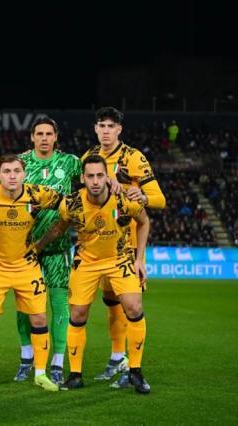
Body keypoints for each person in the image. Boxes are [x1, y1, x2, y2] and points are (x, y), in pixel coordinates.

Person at [35, 155, 151, 394]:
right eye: (90, 176)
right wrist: (37, 247)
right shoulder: (72, 204)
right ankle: (75, 375)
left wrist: (139, 259)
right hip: (86, 261)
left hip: (119, 259)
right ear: (83, 178)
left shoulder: (123, 199)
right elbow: (59, 228)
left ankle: (135, 371)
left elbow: (144, 222)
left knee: (134, 307)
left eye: (100, 175)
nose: (95, 181)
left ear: (107, 177)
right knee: (77, 314)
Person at [82, 107, 165, 385]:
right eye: (101, 125)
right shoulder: (89, 157)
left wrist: (138, 194)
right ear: (95, 129)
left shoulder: (133, 157)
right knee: (111, 302)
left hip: (127, 247)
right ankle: (118, 357)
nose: (106, 131)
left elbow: (159, 200)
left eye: (111, 126)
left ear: (119, 129)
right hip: (100, 245)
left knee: (131, 306)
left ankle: (133, 367)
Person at [0, 154, 62, 392]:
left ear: (24, 174)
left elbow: (71, 203)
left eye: (16, 171)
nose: (12, 176)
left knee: (39, 319)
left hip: (27, 267)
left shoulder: (37, 194)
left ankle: (40, 374)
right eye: (7, 171)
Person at [14, 116, 82, 385]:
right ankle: (26, 358)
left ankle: (57, 362)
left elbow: (96, 174)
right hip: (24, 249)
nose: (44, 138)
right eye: (39, 134)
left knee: (59, 304)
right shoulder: (20, 163)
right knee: (25, 307)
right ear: (32, 137)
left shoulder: (70, 163)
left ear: (56, 137)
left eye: (48, 134)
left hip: (58, 249)